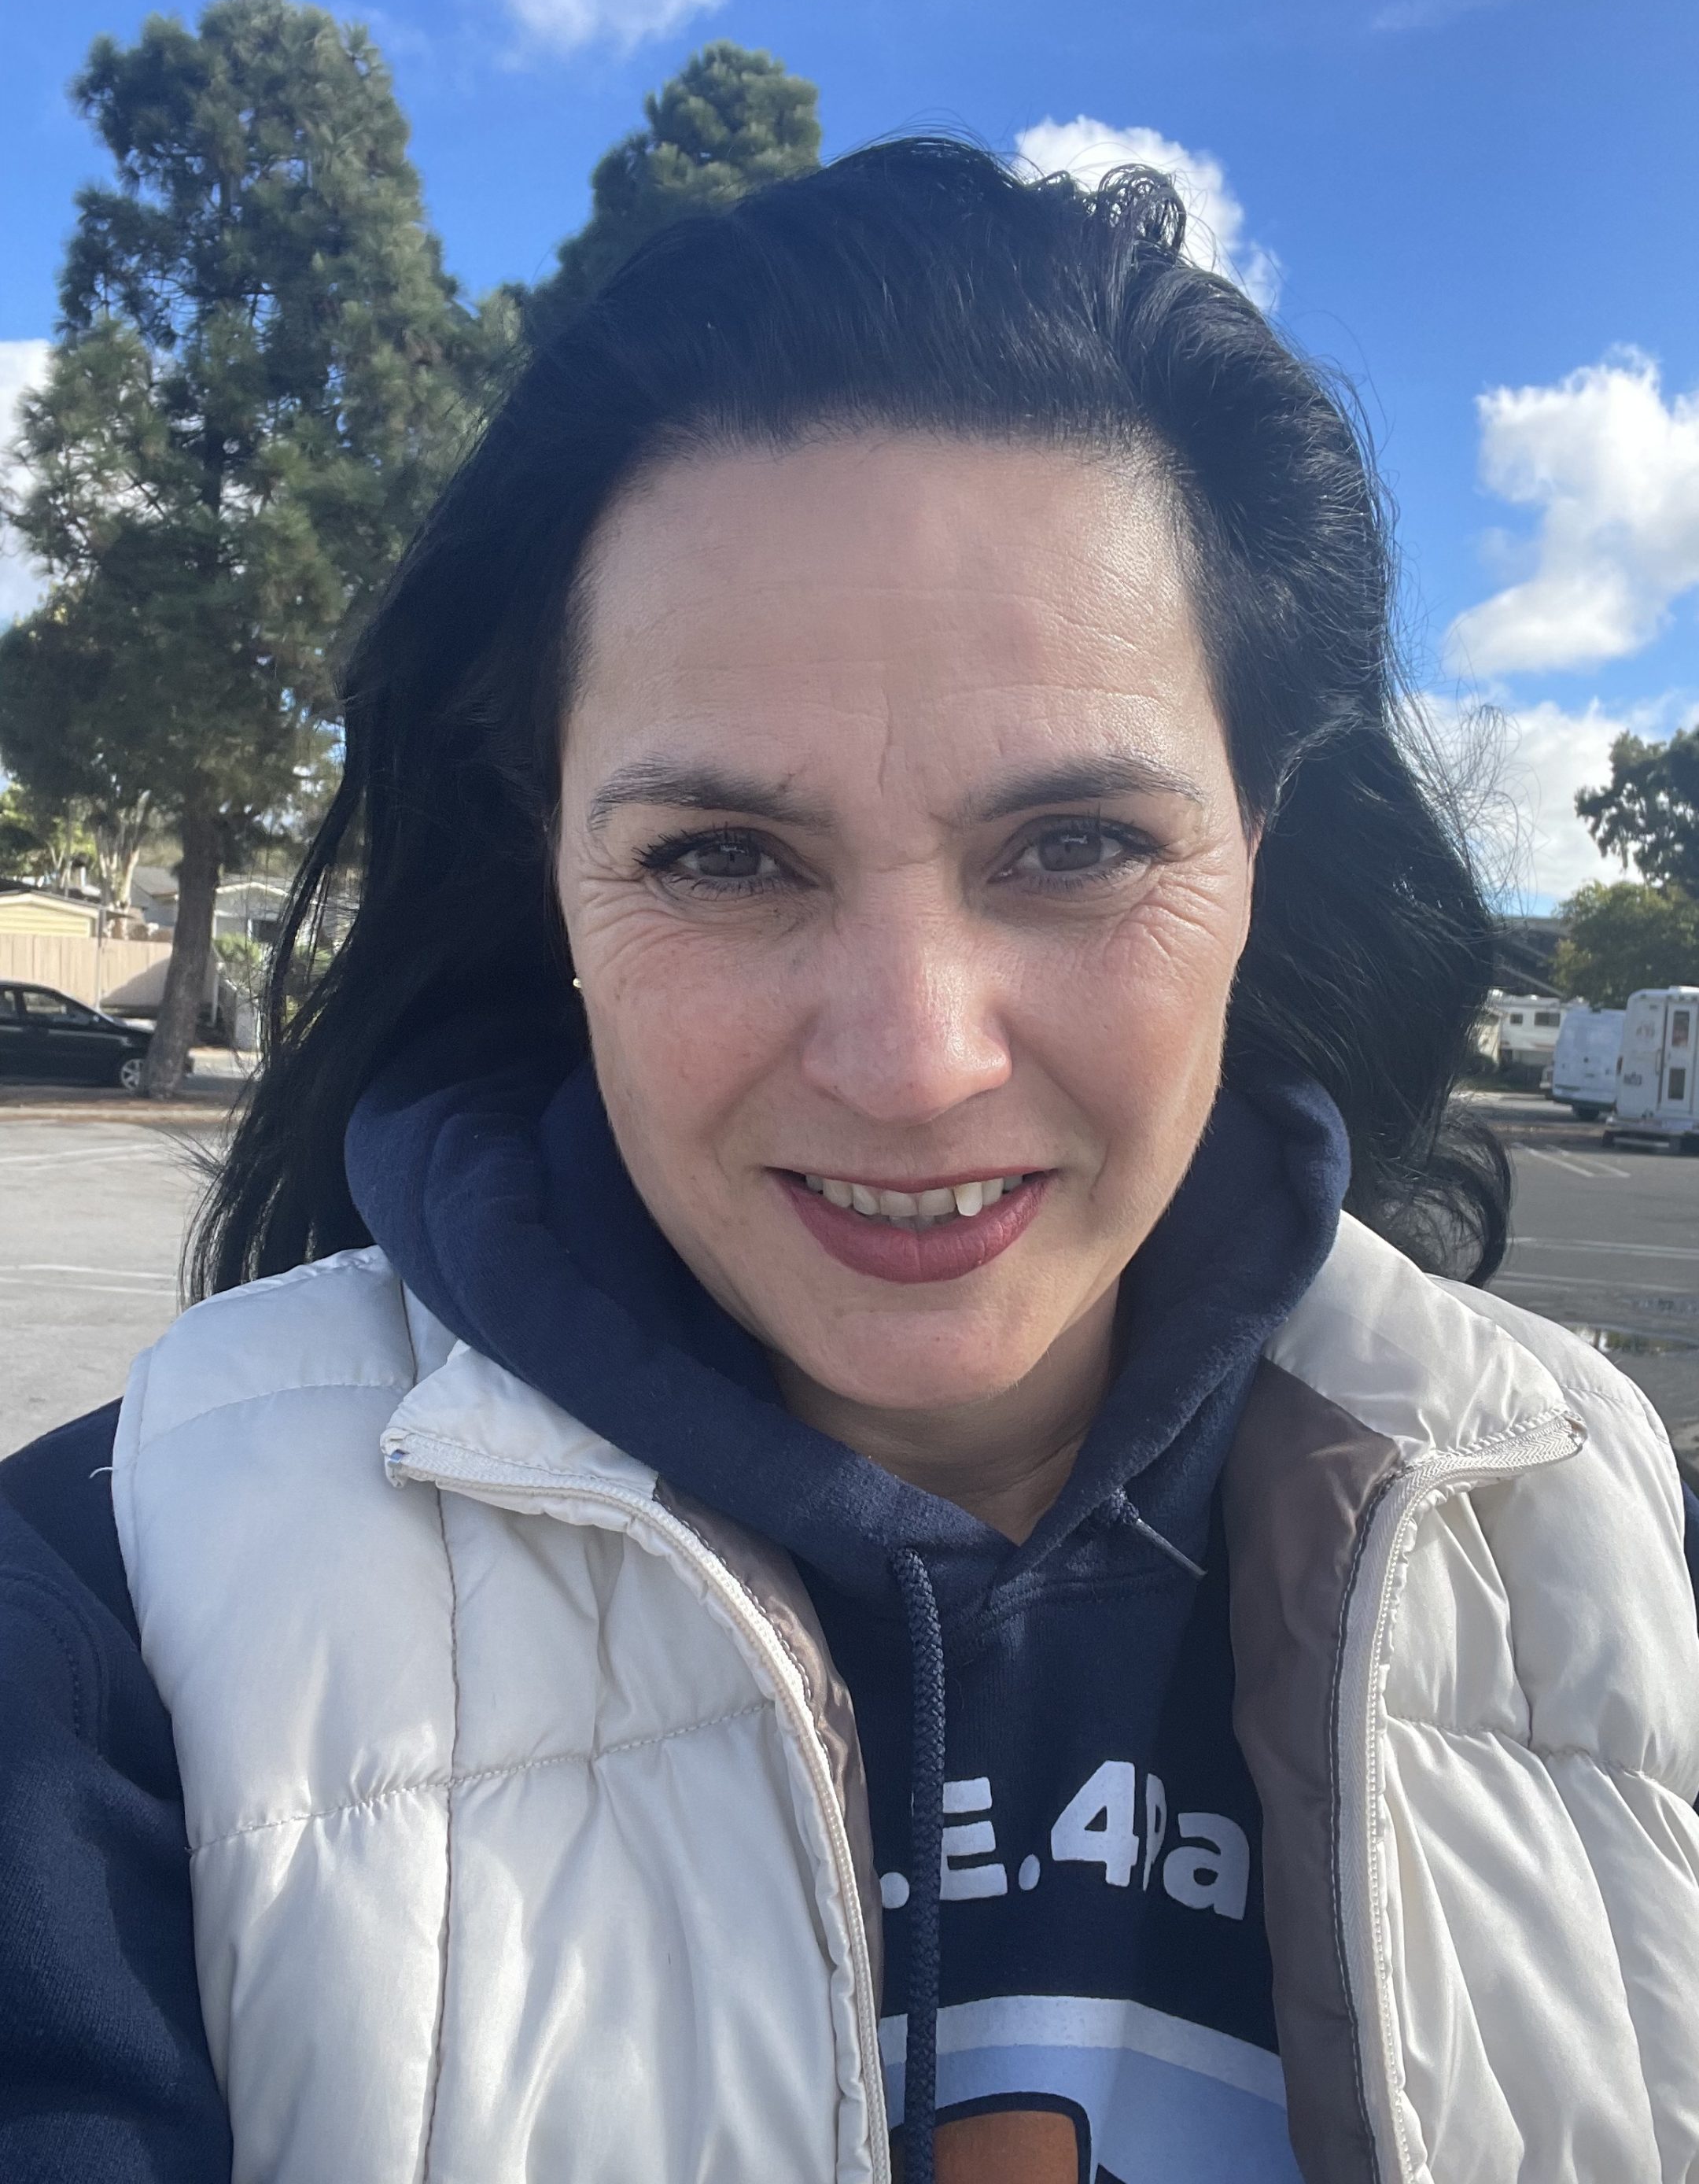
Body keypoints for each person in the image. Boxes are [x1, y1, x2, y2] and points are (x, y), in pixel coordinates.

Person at [2, 139, 1696, 2184]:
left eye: (1074, 847)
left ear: (1263, 854)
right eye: (723, 857)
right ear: (548, 869)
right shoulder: (109, 1640)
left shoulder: (1621, 1562)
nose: (911, 1063)